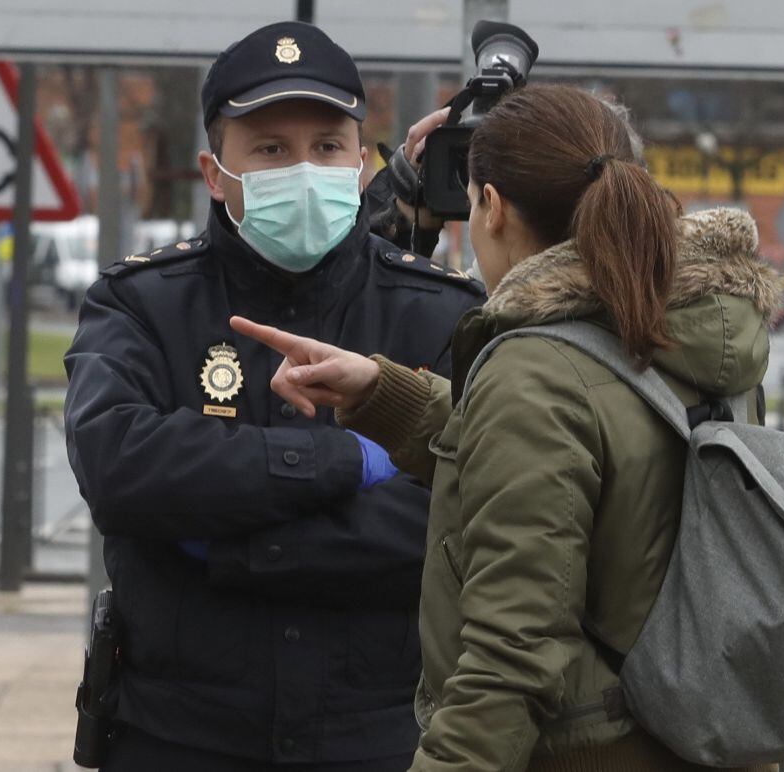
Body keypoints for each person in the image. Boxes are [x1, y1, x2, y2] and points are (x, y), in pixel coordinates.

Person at [231, 84, 783, 771]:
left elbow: (511, 655)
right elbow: (610, 466)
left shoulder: (535, 370)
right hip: (709, 735)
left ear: (492, 206)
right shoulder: (691, 327)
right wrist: (384, 392)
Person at [63, 20, 484, 771]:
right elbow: (120, 467)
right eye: (270, 149)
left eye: (326, 146)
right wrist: (349, 461)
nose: (303, 169)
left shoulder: (440, 312)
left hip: (381, 742)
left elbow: (459, 516)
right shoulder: (141, 303)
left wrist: (232, 539)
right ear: (214, 172)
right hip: (178, 741)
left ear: (362, 162)